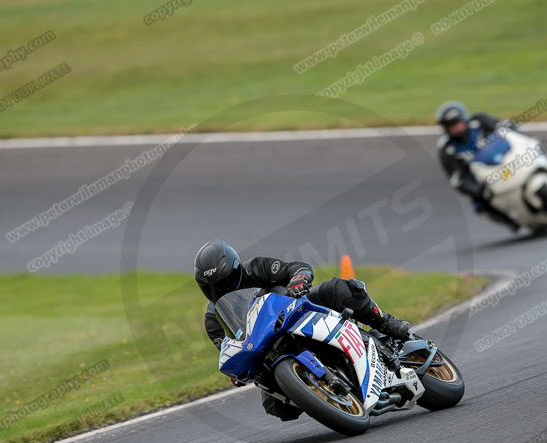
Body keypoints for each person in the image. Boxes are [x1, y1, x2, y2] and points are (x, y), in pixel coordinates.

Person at [194, 239, 412, 421]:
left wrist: (299, 280)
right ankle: (320, 393)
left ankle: (386, 322)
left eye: (226, 282)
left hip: (298, 310)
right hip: (265, 347)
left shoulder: (256, 268)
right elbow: (226, 346)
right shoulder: (213, 318)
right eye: (213, 288)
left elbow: (296, 268)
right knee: (277, 408)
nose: (221, 290)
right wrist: (236, 372)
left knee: (341, 288)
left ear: (237, 270)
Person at [435, 101, 521, 231]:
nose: (456, 128)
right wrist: (479, 191)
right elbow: (457, 180)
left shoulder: (479, 122)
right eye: (451, 126)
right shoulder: (447, 149)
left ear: (464, 119)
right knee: (480, 206)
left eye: (458, 123)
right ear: (445, 129)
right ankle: (512, 221)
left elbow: (502, 126)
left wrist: (513, 129)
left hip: (507, 160)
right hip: (486, 180)